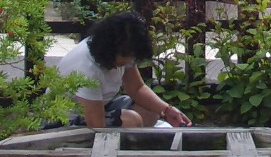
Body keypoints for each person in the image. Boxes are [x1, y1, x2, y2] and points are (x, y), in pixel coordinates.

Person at [55, 11, 191, 129]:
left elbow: (137, 88)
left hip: (102, 106)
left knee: (151, 111)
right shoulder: (86, 68)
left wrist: (167, 110)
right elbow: (97, 126)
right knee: (131, 120)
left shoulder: (123, 52)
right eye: (126, 57)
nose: (128, 62)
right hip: (65, 121)